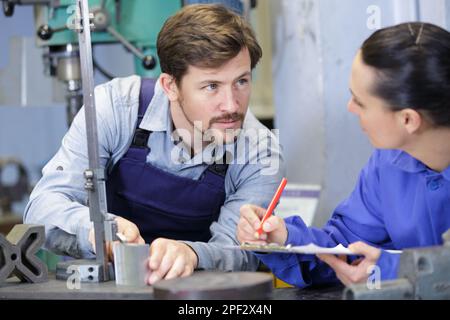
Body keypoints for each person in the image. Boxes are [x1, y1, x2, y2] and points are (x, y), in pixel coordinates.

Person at [24, 4, 284, 285]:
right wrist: (97, 231)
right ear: (170, 86)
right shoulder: (114, 109)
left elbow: (242, 251)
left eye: (241, 81)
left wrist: (191, 254)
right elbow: (41, 208)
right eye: (211, 86)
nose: (232, 105)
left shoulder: (259, 151)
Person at [237, 22, 450, 288]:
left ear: (408, 119)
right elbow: (346, 248)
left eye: (360, 102)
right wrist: (282, 237)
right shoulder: (386, 165)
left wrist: (393, 270)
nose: (350, 108)